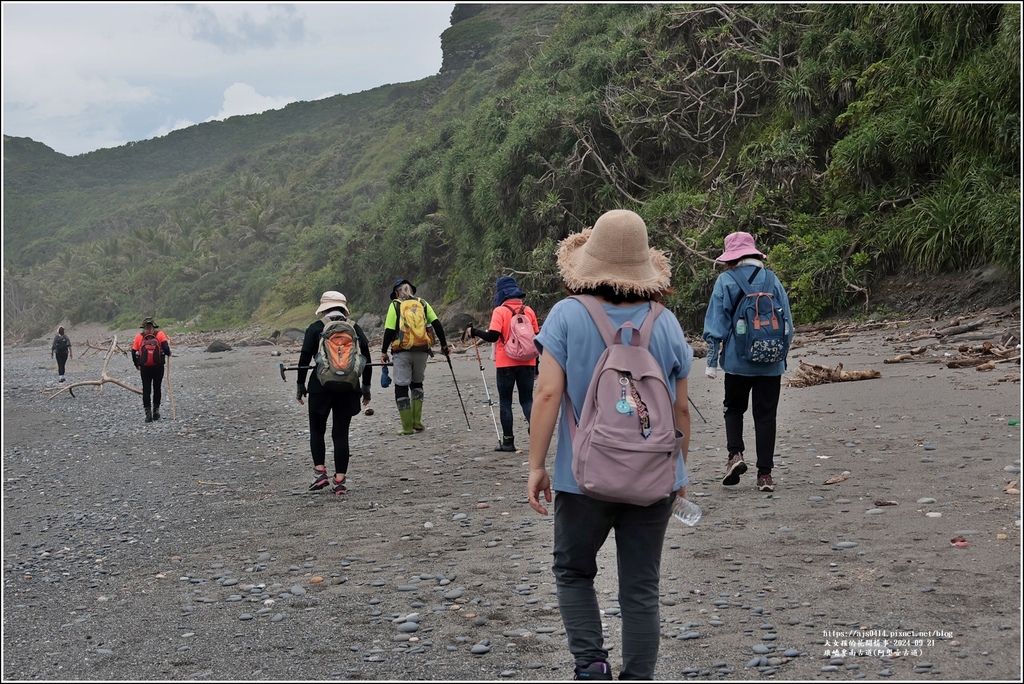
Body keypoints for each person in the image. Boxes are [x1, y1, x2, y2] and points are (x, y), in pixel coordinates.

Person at [526, 209, 693, 681]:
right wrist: (678, 472)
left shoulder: (566, 316)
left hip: (581, 479)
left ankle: (592, 665)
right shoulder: (667, 323)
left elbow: (547, 394)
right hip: (654, 479)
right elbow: (680, 411)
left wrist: (536, 465)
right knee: (641, 589)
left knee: (574, 572)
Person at [702, 231, 794, 493]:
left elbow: (716, 325)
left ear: (731, 257)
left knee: (733, 408)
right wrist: (779, 355)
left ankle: (736, 456)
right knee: (766, 416)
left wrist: (711, 362)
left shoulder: (726, 281)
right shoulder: (772, 279)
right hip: (771, 362)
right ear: (754, 253)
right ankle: (765, 475)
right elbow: (788, 325)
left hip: (737, 361)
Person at [296, 291, 372, 496]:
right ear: (343, 307)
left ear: (324, 308)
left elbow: (304, 359)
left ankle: (320, 473)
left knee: (317, 430)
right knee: (340, 434)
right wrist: (366, 387)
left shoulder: (316, 328)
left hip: (320, 387)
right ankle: (340, 481)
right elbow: (366, 357)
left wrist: (300, 385)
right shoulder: (354, 328)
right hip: (349, 386)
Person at [464, 275, 540, 452]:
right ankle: (536, 431)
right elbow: (536, 339)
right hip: (528, 362)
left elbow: (493, 336)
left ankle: (508, 442)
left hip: (506, 363)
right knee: (527, 400)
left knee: (505, 402)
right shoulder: (528, 311)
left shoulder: (500, 311)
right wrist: (537, 364)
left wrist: (474, 331)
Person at [380, 279, 450, 435]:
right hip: (422, 350)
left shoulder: (395, 305)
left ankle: (407, 427)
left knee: (401, 386)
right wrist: (444, 345)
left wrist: (384, 351)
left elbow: (389, 330)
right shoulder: (423, 304)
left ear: (397, 293)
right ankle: (417, 421)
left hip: (402, 351)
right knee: (417, 384)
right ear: (411, 290)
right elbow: (437, 324)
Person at [131, 317, 171, 423]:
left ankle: (148, 415)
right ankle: (156, 412)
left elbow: (133, 352)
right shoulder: (160, 334)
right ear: (154, 327)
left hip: (145, 368)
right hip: (158, 366)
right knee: (157, 388)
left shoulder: (139, 337)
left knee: (146, 390)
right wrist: (168, 353)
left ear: (143, 327)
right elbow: (166, 348)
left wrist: (137, 364)